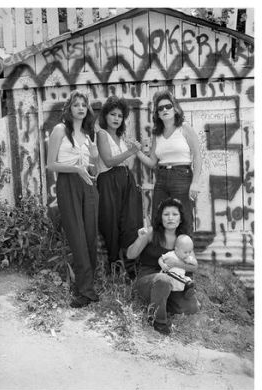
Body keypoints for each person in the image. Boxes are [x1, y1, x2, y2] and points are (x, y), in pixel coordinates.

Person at [46, 90, 99, 308]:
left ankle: (89, 286)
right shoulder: (60, 130)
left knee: (90, 237)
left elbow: (93, 165)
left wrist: (92, 158)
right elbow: (50, 165)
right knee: (77, 237)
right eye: (76, 104)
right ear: (69, 108)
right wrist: (76, 169)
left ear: (87, 110)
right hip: (68, 184)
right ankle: (83, 291)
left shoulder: (88, 134)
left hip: (88, 185)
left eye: (83, 105)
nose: (80, 108)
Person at [126, 198, 200, 335]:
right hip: (149, 280)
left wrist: (177, 264)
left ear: (181, 218)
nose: (170, 218)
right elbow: (130, 255)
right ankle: (158, 321)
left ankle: (159, 302)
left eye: (174, 214)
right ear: (161, 217)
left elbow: (194, 266)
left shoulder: (183, 239)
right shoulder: (151, 233)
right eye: (166, 214)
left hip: (173, 282)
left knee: (192, 307)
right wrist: (140, 238)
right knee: (163, 280)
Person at [136, 90, 202, 233]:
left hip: (182, 177)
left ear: (175, 108)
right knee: (158, 217)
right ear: (157, 114)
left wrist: (195, 182)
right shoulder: (157, 134)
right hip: (161, 178)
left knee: (184, 218)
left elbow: (197, 155)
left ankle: (186, 253)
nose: (164, 110)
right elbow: (152, 162)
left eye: (168, 106)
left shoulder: (184, 128)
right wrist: (136, 152)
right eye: (160, 108)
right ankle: (162, 254)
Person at [95, 96, 143, 277]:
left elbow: (125, 163)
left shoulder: (121, 136)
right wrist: (131, 151)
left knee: (130, 223)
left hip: (126, 180)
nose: (116, 118)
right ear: (105, 116)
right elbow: (108, 161)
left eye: (120, 116)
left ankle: (131, 269)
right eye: (112, 114)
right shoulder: (102, 134)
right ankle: (112, 269)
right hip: (108, 181)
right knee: (110, 223)